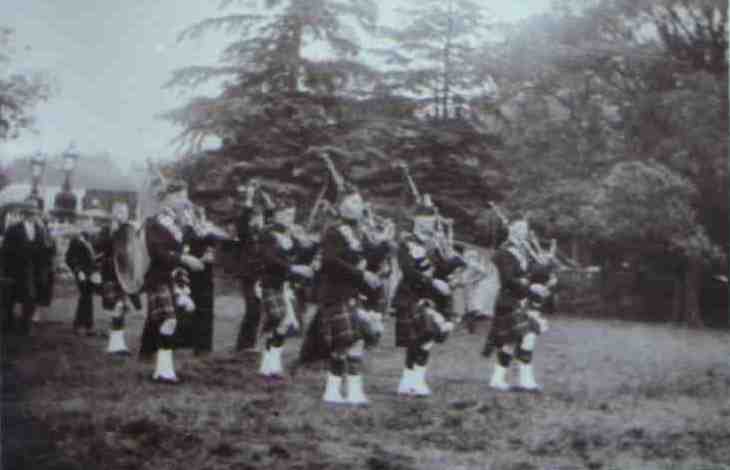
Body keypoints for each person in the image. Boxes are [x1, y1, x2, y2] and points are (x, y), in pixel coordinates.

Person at [314, 188, 383, 405]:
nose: (360, 205)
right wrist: (362, 273)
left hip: (354, 293)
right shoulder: (333, 231)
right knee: (344, 343)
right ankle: (334, 390)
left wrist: (383, 245)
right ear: (342, 205)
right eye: (354, 201)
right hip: (335, 293)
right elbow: (330, 262)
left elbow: (369, 260)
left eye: (361, 201)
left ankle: (351, 391)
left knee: (357, 341)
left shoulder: (359, 232)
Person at [392, 197, 462, 396]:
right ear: (415, 219)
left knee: (427, 338)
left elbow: (442, 269)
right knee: (419, 337)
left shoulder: (434, 243)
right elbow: (408, 271)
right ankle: (411, 381)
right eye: (423, 217)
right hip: (412, 295)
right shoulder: (406, 242)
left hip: (433, 297)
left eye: (431, 217)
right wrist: (433, 282)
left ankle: (412, 381)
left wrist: (456, 262)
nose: (428, 221)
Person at [137, 181, 205, 383]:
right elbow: (157, 252)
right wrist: (184, 259)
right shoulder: (154, 223)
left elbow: (191, 243)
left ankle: (163, 370)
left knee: (170, 323)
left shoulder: (180, 224)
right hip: (157, 276)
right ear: (167, 198)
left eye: (185, 197)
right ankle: (163, 371)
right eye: (179, 197)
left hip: (174, 277)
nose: (184, 201)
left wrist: (195, 225)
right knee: (168, 321)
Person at [482, 219, 554, 392]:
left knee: (515, 342)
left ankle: (500, 379)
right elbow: (508, 279)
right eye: (519, 229)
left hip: (523, 301)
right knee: (523, 338)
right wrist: (531, 286)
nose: (523, 233)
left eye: (525, 230)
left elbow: (533, 273)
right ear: (510, 231)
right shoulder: (503, 253)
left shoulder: (525, 252)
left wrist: (546, 271)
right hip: (508, 302)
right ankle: (523, 380)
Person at [255, 194, 314, 379]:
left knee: (284, 323)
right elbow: (270, 258)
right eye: (287, 214)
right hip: (270, 283)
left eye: (293, 215)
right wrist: (294, 267)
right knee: (279, 319)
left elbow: (303, 254)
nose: (291, 219)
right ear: (277, 215)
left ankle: (271, 363)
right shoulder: (267, 233)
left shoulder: (290, 234)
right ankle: (269, 362)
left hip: (286, 284)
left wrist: (308, 244)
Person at [96, 201, 141, 355]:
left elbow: (135, 250)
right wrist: (111, 233)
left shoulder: (130, 229)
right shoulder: (106, 229)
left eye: (125, 211)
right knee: (117, 307)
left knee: (121, 308)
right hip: (111, 273)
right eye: (119, 211)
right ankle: (115, 345)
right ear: (113, 213)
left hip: (126, 274)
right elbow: (99, 247)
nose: (122, 214)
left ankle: (117, 344)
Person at [1, 198, 50, 335]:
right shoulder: (13, 229)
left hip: (33, 269)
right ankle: (7, 324)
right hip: (16, 269)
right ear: (25, 214)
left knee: (31, 297)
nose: (33, 215)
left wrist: (43, 266)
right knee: (10, 299)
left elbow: (44, 249)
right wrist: (6, 271)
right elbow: (5, 250)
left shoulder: (40, 230)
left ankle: (25, 325)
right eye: (31, 213)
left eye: (35, 213)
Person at [235, 182, 267, 352]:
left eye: (260, 217)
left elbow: (271, 210)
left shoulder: (264, 234)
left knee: (258, 309)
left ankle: (250, 344)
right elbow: (242, 220)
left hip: (260, 274)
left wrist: (262, 192)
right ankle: (243, 345)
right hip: (248, 274)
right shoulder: (246, 233)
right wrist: (249, 198)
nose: (259, 220)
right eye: (256, 217)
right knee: (252, 309)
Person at [65, 221, 102, 336]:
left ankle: (86, 326)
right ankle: (81, 326)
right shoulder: (75, 241)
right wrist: (78, 271)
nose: (88, 227)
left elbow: (93, 257)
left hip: (92, 272)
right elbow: (69, 258)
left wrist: (97, 267)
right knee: (85, 297)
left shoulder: (90, 239)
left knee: (88, 298)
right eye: (85, 225)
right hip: (82, 273)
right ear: (80, 227)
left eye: (90, 225)